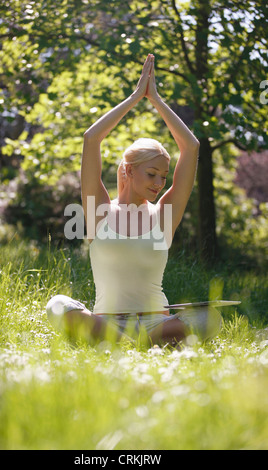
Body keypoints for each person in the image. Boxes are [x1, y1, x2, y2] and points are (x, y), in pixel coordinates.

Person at [46, 54, 222, 346]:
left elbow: (191, 146)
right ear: (129, 170)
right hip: (107, 319)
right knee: (57, 306)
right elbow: (92, 138)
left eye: (163, 177)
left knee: (210, 318)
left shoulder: (164, 214)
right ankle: (131, 341)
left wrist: (156, 101)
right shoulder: (100, 211)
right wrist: (134, 97)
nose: (159, 183)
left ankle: (127, 341)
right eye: (152, 174)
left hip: (157, 321)